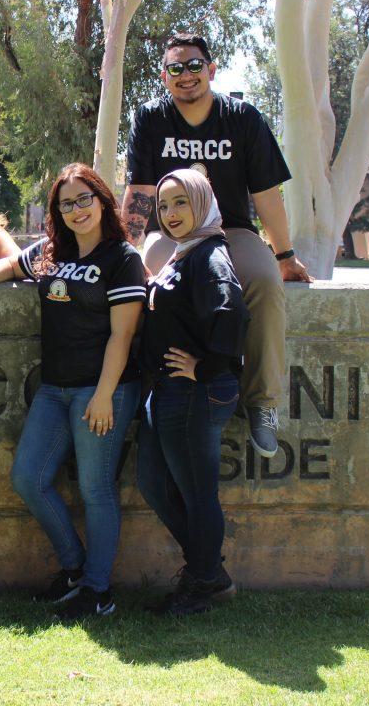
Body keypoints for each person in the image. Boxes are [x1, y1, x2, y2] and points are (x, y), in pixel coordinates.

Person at [120, 33, 312, 459]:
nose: (185, 75)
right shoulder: (150, 119)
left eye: (193, 65)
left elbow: (266, 194)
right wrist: (124, 252)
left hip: (231, 232)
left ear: (211, 69)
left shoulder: (242, 118)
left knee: (263, 282)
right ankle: (143, 384)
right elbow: (140, 194)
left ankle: (261, 402)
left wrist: (283, 256)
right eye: (175, 68)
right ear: (164, 76)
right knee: (144, 285)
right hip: (167, 234)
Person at [0, 163, 145, 620]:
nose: (77, 209)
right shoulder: (51, 252)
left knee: (95, 488)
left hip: (102, 390)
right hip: (54, 388)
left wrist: (105, 394)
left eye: (85, 198)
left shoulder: (122, 258)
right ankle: (74, 570)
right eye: (66, 203)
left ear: (103, 200)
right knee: (28, 477)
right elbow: (10, 264)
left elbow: (122, 336)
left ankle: (98, 591)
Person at [135, 168, 249, 617]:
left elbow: (231, 311)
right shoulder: (186, 252)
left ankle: (204, 581)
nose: (171, 213)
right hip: (166, 391)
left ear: (201, 202)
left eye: (181, 202)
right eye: (164, 205)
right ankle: (208, 569)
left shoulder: (210, 255)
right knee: (153, 483)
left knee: (197, 492)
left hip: (194, 393)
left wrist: (206, 367)